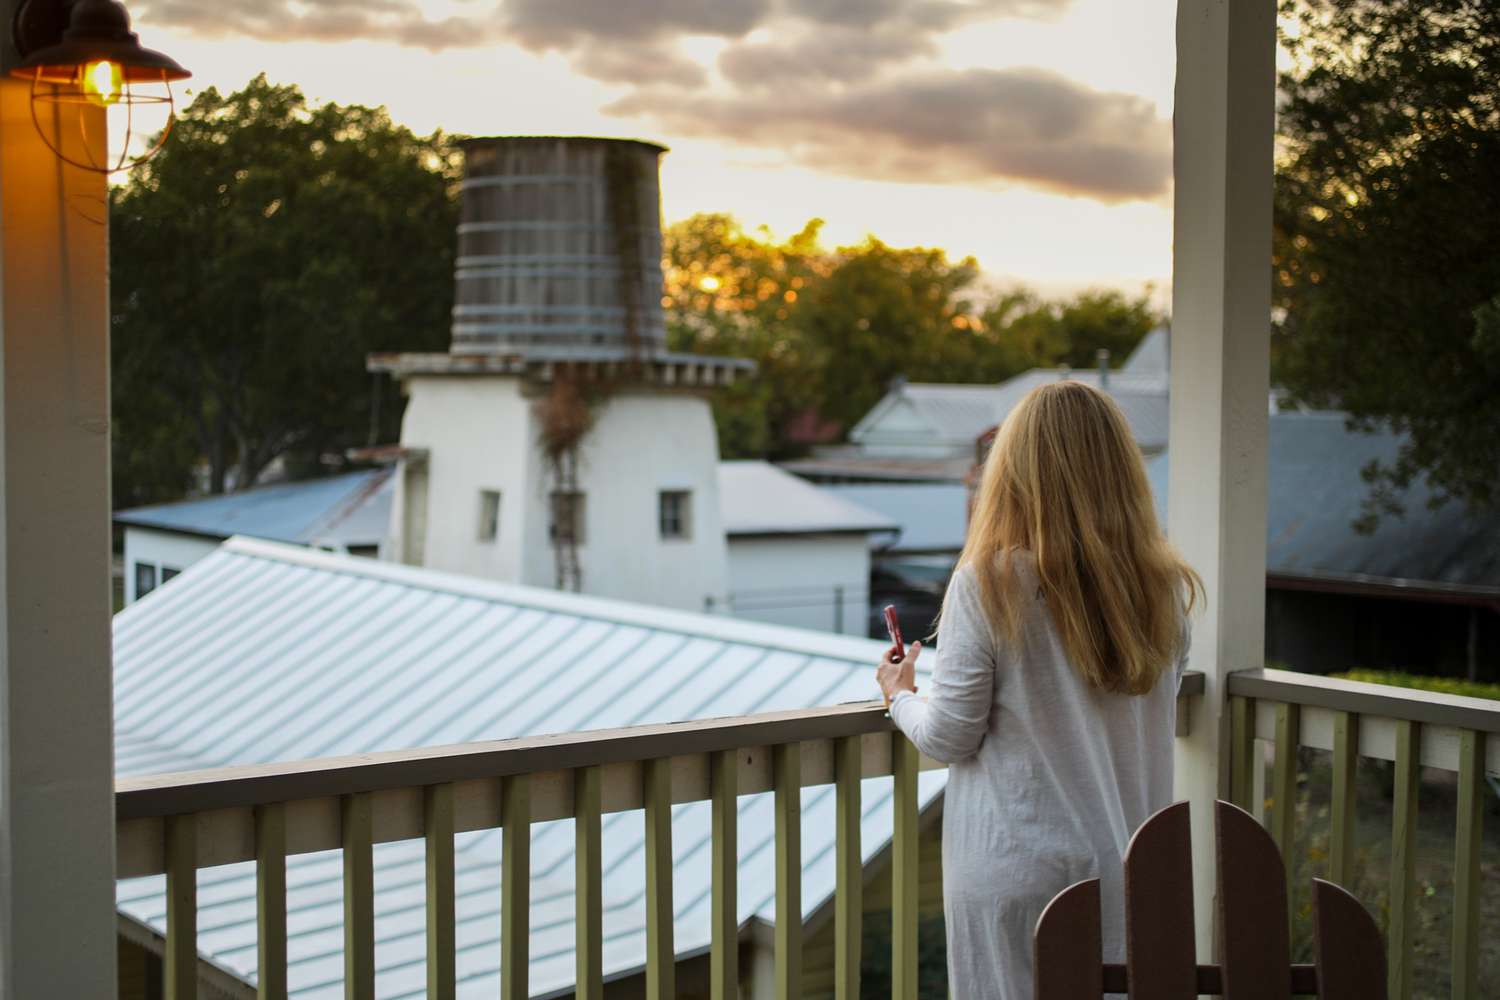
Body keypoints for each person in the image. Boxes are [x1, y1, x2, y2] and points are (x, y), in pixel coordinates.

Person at [876, 380, 1202, 999]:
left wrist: (901, 695)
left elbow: (949, 736)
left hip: (1017, 869)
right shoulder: (1162, 588)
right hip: (1126, 870)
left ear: (1016, 473)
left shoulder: (990, 583)